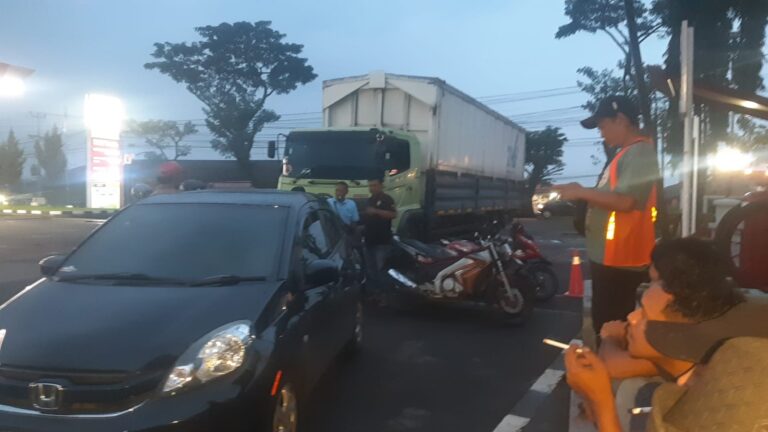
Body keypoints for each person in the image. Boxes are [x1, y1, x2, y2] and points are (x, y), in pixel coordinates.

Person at [553, 95, 661, 337]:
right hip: (612, 257)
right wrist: (580, 191)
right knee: (606, 323)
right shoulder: (625, 154)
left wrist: (581, 192)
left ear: (621, 119)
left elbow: (626, 201)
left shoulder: (640, 153)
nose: (601, 134)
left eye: (603, 126)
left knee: (612, 327)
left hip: (622, 259)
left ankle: (612, 371)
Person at [362, 178, 397, 301]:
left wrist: (376, 211)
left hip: (382, 241)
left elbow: (393, 214)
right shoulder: (369, 200)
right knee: (371, 270)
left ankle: (386, 295)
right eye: (370, 185)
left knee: (382, 269)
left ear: (381, 186)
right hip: (369, 240)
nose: (372, 188)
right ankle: (374, 293)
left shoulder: (387, 199)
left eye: (374, 185)